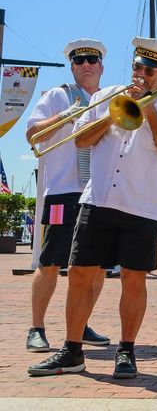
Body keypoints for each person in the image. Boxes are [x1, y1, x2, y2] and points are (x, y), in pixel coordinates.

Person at [28, 38, 157, 379]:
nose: (141, 74)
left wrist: (147, 110)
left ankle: (126, 350)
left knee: (133, 278)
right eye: (136, 67)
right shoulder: (107, 97)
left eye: (149, 70)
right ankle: (72, 350)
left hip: (142, 206)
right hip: (98, 199)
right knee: (79, 274)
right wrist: (114, 113)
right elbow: (81, 140)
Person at [24, 39, 111, 353]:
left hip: (98, 193)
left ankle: (80, 324)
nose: (85, 65)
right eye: (78, 61)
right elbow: (32, 133)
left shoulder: (108, 99)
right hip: (63, 191)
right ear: (72, 66)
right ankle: (36, 328)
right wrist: (66, 116)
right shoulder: (57, 95)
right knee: (50, 263)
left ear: (101, 65)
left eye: (91, 59)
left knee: (97, 267)